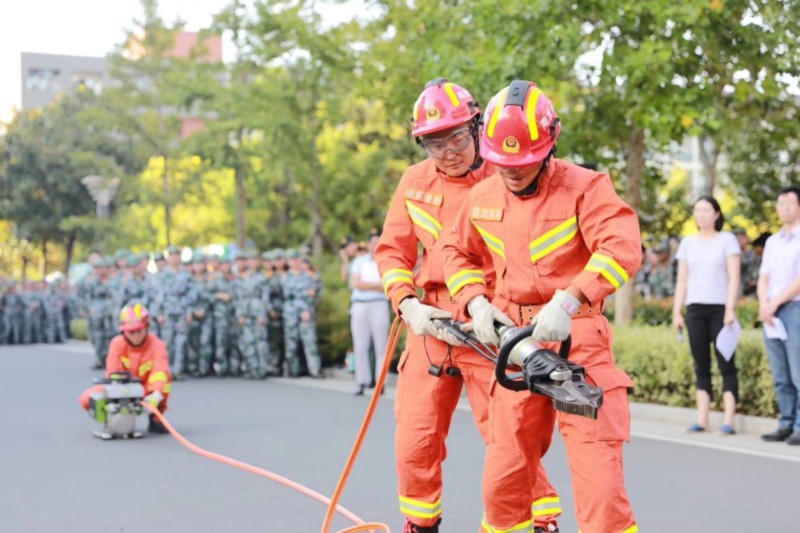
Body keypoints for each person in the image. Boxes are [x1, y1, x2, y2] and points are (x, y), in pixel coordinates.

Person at [440, 80, 639, 533]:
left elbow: (622, 246)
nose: (511, 171)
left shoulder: (586, 188)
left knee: (600, 488)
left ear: (549, 147)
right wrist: (476, 303)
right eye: (502, 162)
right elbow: (455, 252)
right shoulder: (483, 196)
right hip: (516, 341)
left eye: (524, 162)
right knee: (503, 483)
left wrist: (569, 299)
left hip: (578, 337)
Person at [375, 79, 560, 533]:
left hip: (489, 322)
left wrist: (493, 314)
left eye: (457, 137)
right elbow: (392, 253)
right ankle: (421, 523)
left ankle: (540, 521)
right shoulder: (413, 183)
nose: (448, 151)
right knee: (415, 437)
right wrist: (409, 306)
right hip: (432, 322)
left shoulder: (505, 177)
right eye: (434, 143)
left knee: (510, 437)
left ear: (477, 127)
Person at [672, 196, 741, 435]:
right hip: (695, 310)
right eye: (697, 210)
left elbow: (734, 277)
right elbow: (682, 281)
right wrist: (676, 311)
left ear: (717, 214)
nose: (701, 215)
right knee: (701, 365)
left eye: (706, 210)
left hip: (721, 311)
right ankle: (703, 419)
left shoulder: (727, 240)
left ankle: (729, 420)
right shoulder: (688, 243)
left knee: (726, 364)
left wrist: (730, 309)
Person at [79, 302, 172, 434]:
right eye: (131, 332)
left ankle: (156, 419)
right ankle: (111, 421)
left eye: (139, 331)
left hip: (146, 390)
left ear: (147, 327)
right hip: (122, 388)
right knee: (87, 398)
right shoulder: (117, 343)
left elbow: (160, 371)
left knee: (164, 385)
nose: (135, 336)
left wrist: (155, 396)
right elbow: (112, 372)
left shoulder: (157, 345)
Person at [758, 186, 800, 444]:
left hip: (794, 308)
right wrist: (765, 304)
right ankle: (785, 423)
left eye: (789, 203)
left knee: (798, 372)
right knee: (781, 373)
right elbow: (764, 276)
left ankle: (799, 425)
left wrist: (774, 303)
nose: (784, 208)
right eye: (780, 203)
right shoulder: (772, 241)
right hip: (771, 311)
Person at [349, 228, 390, 395]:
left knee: (381, 346)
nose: (375, 245)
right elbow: (356, 284)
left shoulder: (386, 261)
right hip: (360, 304)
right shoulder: (359, 261)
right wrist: (376, 286)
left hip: (379, 304)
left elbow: (387, 286)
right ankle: (362, 381)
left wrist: (370, 286)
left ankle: (380, 382)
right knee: (361, 344)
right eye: (373, 241)